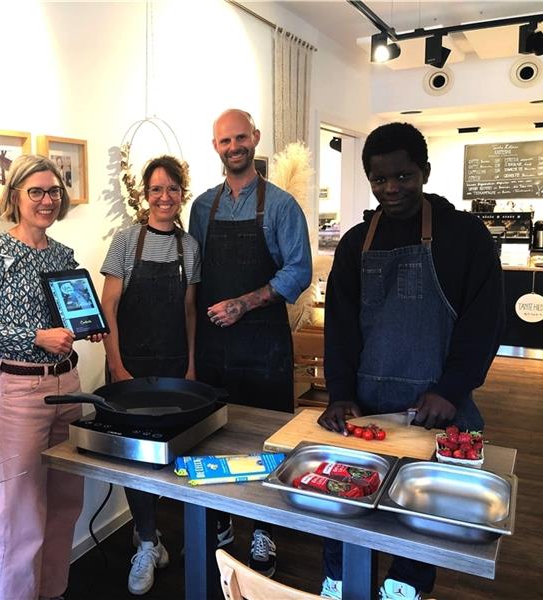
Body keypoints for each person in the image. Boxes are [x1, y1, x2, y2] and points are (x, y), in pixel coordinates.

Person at [317, 122, 505, 600]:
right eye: (379, 180)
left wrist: (452, 387)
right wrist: (339, 393)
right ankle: (341, 580)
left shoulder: (464, 235)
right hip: (366, 406)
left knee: (421, 511)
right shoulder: (358, 239)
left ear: (424, 171)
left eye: (402, 176)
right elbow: (339, 326)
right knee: (347, 502)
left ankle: (405, 586)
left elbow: (484, 323)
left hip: (437, 406)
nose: (391, 189)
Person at [0, 154, 104, 600]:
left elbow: (67, 315)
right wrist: (35, 337)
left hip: (69, 384)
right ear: (16, 196)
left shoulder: (63, 254)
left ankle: (52, 592)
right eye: (36, 192)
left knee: (65, 503)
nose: (47, 200)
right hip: (23, 389)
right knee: (19, 511)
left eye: (54, 191)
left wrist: (86, 326)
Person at [189, 108, 312, 577]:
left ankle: (263, 528)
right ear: (215, 146)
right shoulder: (203, 206)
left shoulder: (280, 205)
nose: (234, 147)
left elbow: (297, 272)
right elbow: (196, 275)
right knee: (214, 438)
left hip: (263, 345)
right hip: (214, 346)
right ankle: (220, 520)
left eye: (241, 138)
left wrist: (246, 302)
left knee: (266, 441)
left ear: (256, 138)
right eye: (225, 141)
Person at [100, 155, 201, 595]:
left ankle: (175, 535)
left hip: (175, 365)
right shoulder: (125, 242)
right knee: (133, 459)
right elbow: (109, 309)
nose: (164, 197)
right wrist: (117, 365)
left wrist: (192, 363)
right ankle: (146, 540)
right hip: (131, 366)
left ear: (182, 194)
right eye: (156, 189)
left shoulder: (190, 248)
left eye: (172, 189)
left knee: (176, 456)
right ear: (145, 194)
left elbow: (190, 310)